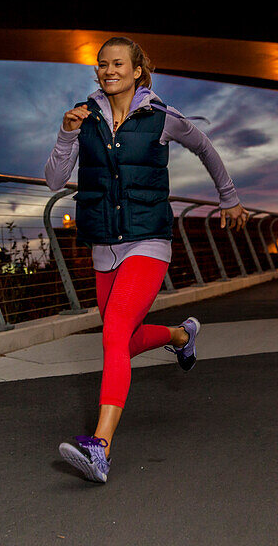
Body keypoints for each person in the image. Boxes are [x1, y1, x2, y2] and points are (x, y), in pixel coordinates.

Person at [44, 36, 249, 483]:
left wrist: (229, 198)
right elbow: (54, 179)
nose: (108, 70)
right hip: (104, 246)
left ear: (137, 71)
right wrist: (66, 134)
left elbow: (206, 148)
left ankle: (100, 447)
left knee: (114, 332)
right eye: (102, 65)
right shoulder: (85, 117)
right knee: (124, 340)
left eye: (118, 63)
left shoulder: (161, 117)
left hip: (148, 241)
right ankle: (180, 335)